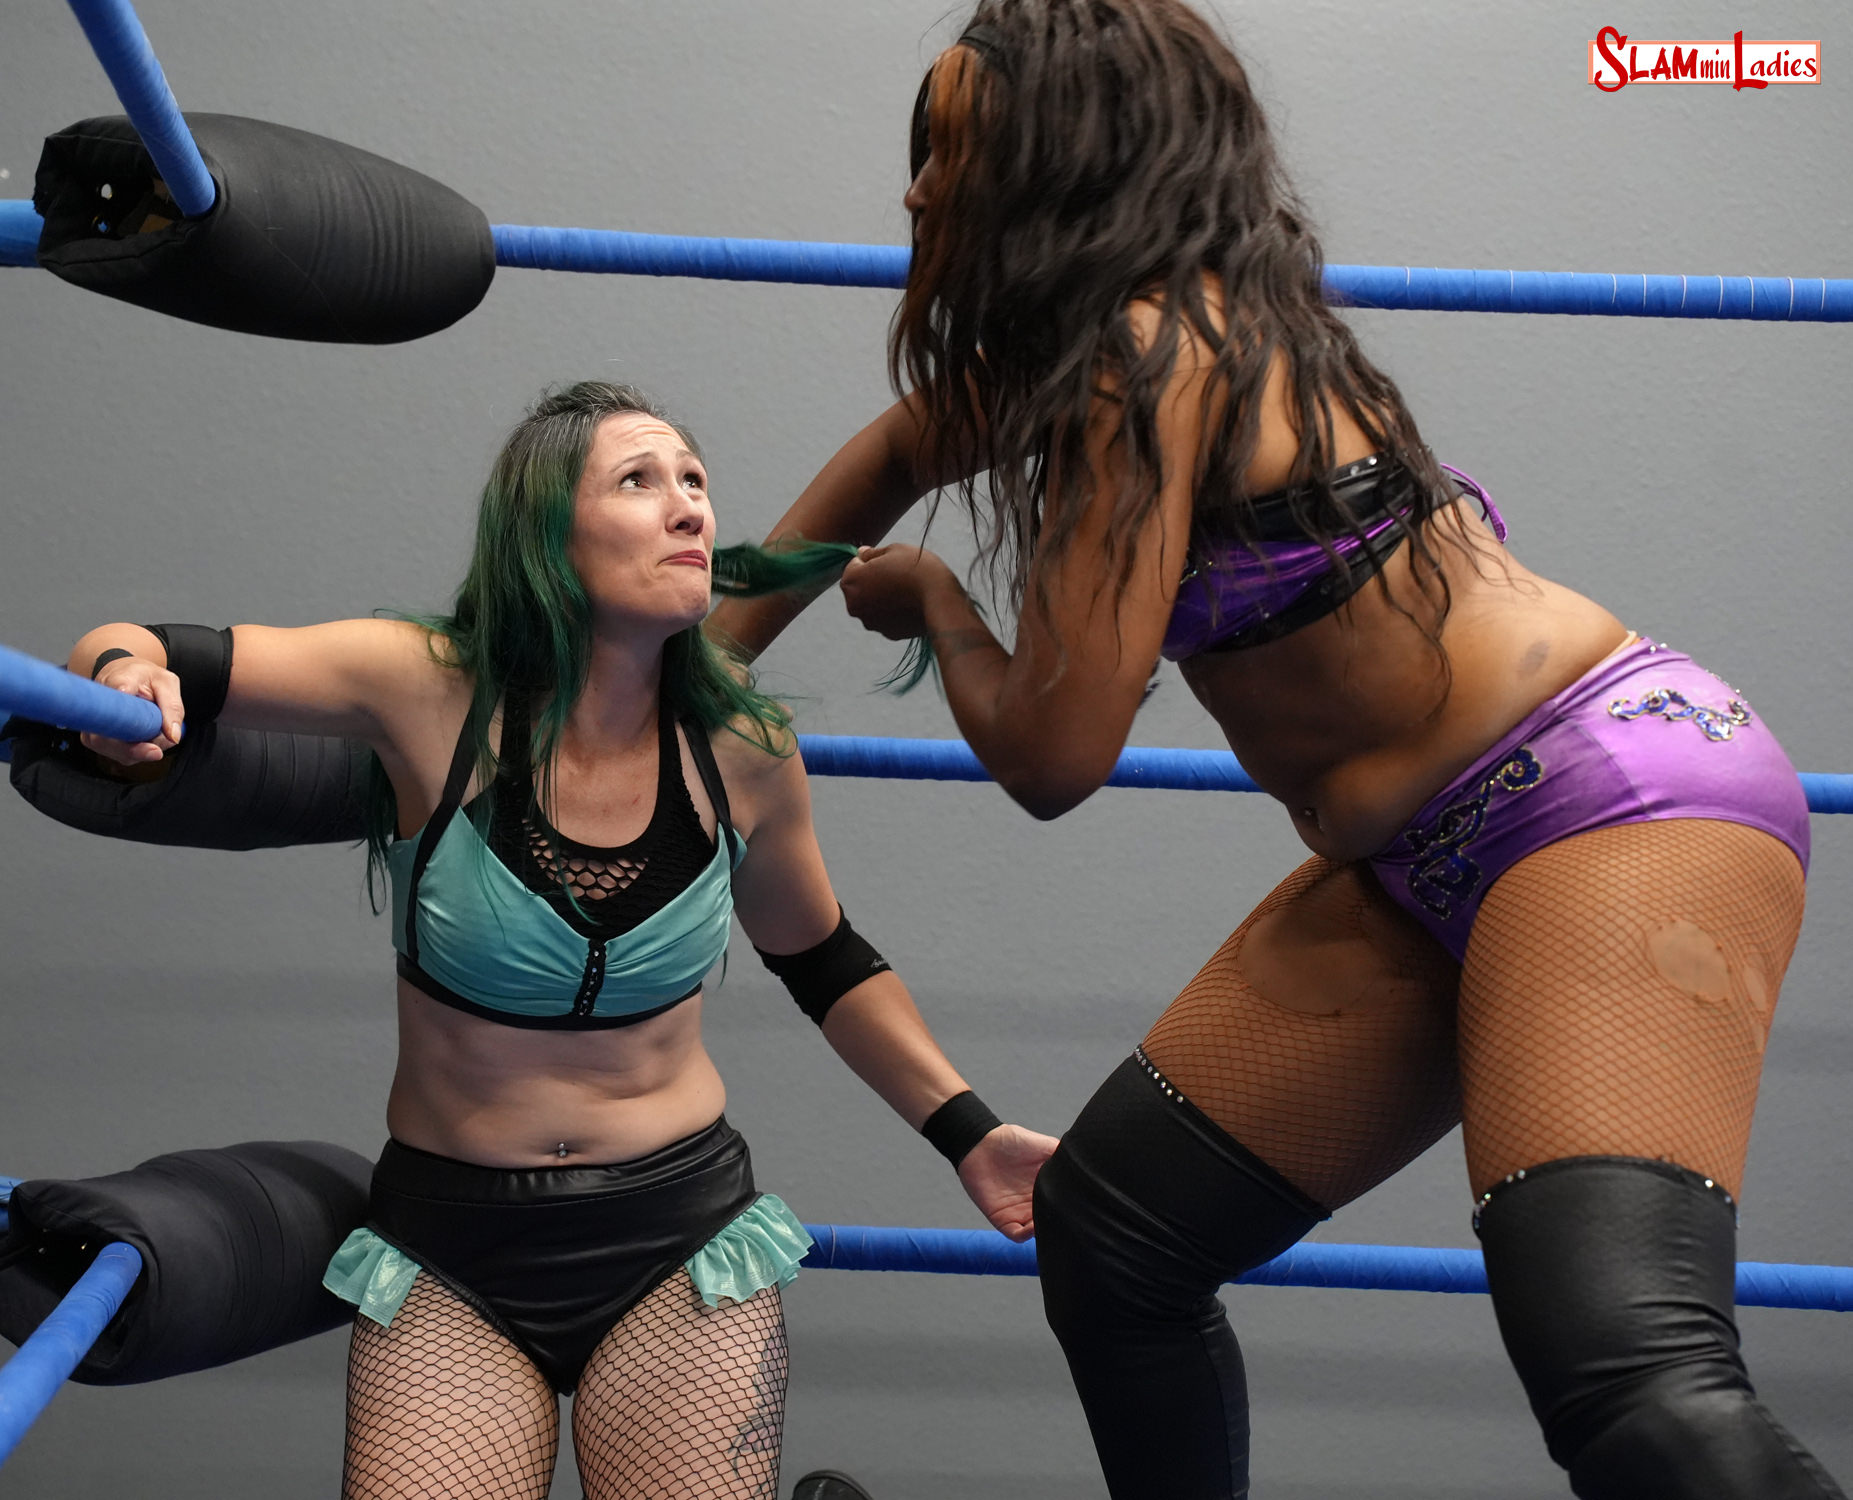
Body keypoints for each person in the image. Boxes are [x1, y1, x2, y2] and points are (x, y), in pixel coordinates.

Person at [704, 4, 1840, 1497]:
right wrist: (684, 680)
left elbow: (1052, 756)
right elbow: (900, 447)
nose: (916, 188)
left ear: (1063, 159)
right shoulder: (1154, 336)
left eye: (956, 152)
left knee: (1625, 1365)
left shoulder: (1143, 359)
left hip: (1608, 797)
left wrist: (935, 605)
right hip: (1429, 853)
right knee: (1115, 1235)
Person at [72, 380, 1056, 1500]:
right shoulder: (420, 685)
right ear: (544, 531)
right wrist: (121, 679)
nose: (688, 506)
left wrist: (969, 1135)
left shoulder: (742, 744)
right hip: (453, 1246)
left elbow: (822, 958)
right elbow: (139, 642)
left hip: (678, 1237)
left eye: (694, 480)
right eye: (639, 480)